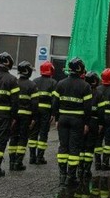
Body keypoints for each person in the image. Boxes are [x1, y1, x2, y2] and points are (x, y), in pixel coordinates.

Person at [52, 57, 93, 187]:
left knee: (63, 146)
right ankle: (71, 177)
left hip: (63, 119)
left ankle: (62, 176)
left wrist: (57, 119)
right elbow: (87, 108)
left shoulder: (60, 83)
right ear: (81, 69)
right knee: (74, 148)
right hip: (78, 120)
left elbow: (55, 103)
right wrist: (86, 123)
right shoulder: (85, 86)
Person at [8, 61, 38, 172]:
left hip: (14, 115)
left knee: (13, 137)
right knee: (23, 138)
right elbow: (35, 104)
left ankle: (11, 162)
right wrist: (34, 118)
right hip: (26, 116)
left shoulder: (13, 82)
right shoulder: (32, 85)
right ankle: (18, 162)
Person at [28, 60, 57, 165]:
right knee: (43, 133)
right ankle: (40, 157)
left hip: (35, 110)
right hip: (46, 112)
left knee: (33, 133)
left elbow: (31, 98)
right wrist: (53, 113)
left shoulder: (34, 81)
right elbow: (54, 99)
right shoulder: (53, 83)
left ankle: (32, 157)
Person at [81, 71, 101, 181]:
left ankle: (80, 169)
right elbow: (101, 111)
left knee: (81, 146)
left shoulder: (82, 91)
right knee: (89, 147)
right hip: (94, 122)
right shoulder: (99, 93)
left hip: (81, 121)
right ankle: (87, 170)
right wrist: (101, 124)